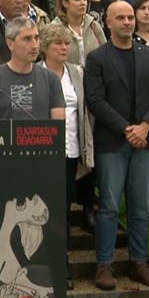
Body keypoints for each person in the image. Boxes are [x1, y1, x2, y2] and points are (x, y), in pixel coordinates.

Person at [83, 1, 149, 290]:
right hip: (112, 143)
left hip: (145, 142)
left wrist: (145, 126)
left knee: (140, 207)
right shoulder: (97, 58)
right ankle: (104, 265)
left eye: (131, 17)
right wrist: (126, 128)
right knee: (108, 206)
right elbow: (95, 100)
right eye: (121, 17)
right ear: (108, 22)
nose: (128, 22)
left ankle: (139, 262)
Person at [39, 24, 96, 259]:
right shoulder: (35, 74)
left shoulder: (77, 73)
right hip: (41, 153)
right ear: (45, 47)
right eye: (58, 44)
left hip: (70, 151)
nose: (64, 48)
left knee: (63, 209)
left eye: (66, 43)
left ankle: (61, 263)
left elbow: (85, 110)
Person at [0, 17, 64, 122]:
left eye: (37, 38)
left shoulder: (51, 79)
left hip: (42, 138)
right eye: (27, 39)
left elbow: (58, 130)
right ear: (10, 44)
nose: (34, 45)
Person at [51, 0, 105, 67]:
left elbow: (105, 55)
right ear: (65, 3)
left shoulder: (94, 26)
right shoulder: (54, 29)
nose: (83, 3)